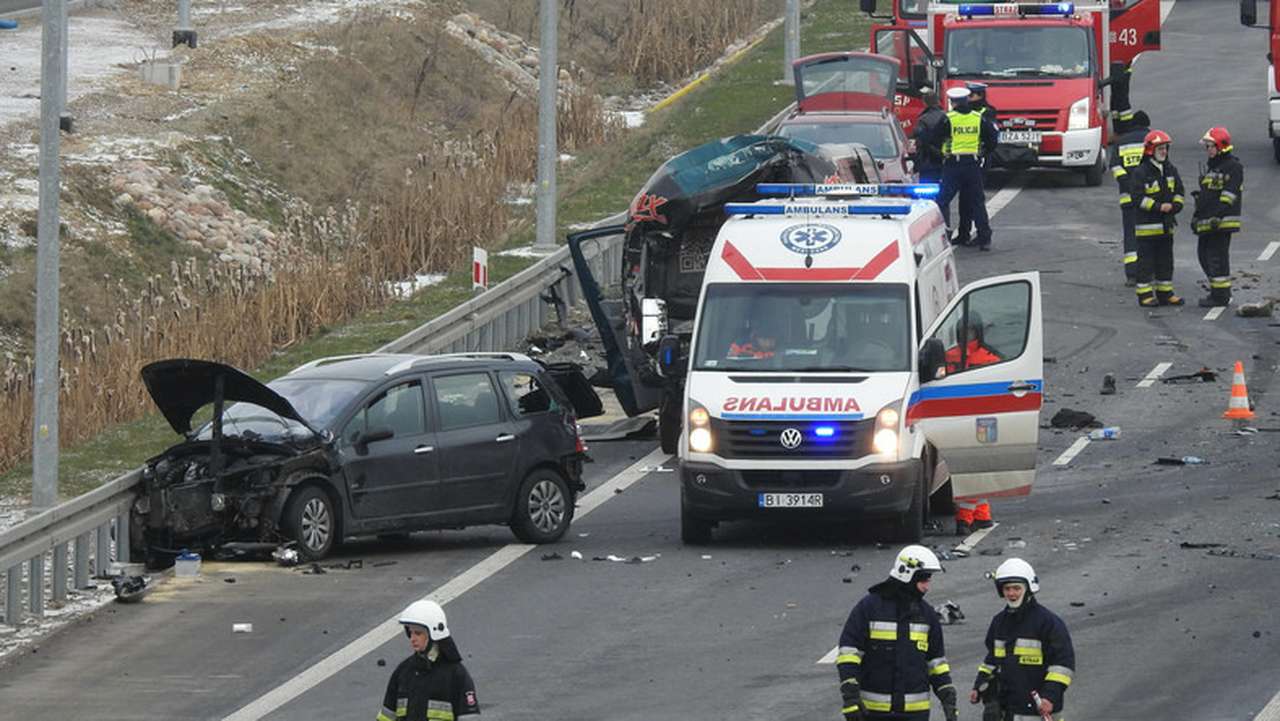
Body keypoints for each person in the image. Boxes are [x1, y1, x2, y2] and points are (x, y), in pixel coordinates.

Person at [836, 545, 959, 721]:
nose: (927, 587)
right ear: (907, 575)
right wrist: (850, 697)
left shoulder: (927, 615)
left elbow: (936, 662)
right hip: (872, 713)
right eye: (924, 580)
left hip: (915, 714)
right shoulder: (869, 608)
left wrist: (948, 697)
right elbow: (848, 654)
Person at [969, 559, 1075, 721]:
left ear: (1029, 589)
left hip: (1038, 710)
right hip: (1008, 710)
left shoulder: (1048, 622)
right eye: (1007, 589)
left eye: (1016, 588)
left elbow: (1062, 666)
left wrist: (1049, 697)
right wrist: (979, 685)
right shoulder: (999, 622)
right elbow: (991, 660)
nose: (1011, 594)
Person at [377, 600, 480, 721]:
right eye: (410, 632)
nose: (412, 638)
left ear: (434, 633)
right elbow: (386, 717)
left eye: (418, 633)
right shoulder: (403, 672)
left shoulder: (456, 674)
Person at [932, 86, 998, 250]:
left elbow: (933, 138)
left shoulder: (948, 118)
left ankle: (945, 234)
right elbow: (992, 140)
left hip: (953, 165)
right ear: (966, 100)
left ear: (952, 102)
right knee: (976, 202)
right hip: (973, 165)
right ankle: (984, 238)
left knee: (942, 200)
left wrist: (942, 153)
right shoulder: (978, 118)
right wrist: (983, 152)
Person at [1128, 129, 1186, 306]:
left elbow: (1179, 191)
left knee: (1165, 262)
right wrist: (1159, 207)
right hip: (1147, 228)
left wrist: (1175, 206)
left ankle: (1165, 293)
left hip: (1166, 227)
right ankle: (1145, 295)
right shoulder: (1141, 172)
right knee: (1146, 263)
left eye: (1165, 148)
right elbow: (1137, 198)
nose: (1164, 152)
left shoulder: (1170, 169)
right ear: (1150, 150)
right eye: (1160, 148)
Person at [1191, 126, 1243, 307]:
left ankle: (1220, 296)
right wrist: (1198, 213)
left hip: (1220, 223)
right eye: (1207, 146)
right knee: (1204, 256)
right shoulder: (1214, 167)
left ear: (1220, 146)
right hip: (1208, 221)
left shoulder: (1233, 167)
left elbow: (1228, 197)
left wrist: (1215, 216)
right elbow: (1209, 195)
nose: (1208, 150)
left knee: (1216, 258)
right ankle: (1218, 291)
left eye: (1210, 146)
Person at [1108, 108, 1152, 286]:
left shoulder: (1122, 142)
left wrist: (1128, 185)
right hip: (1150, 200)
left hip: (1128, 199)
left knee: (1131, 236)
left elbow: (1116, 168)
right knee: (1150, 236)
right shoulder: (1152, 140)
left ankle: (1132, 275)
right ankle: (1150, 272)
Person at [911, 87, 947, 186]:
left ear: (924, 102)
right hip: (946, 161)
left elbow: (920, 142)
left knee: (926, 192)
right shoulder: (947, 116)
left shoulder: (923, 120)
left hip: (928, 162)